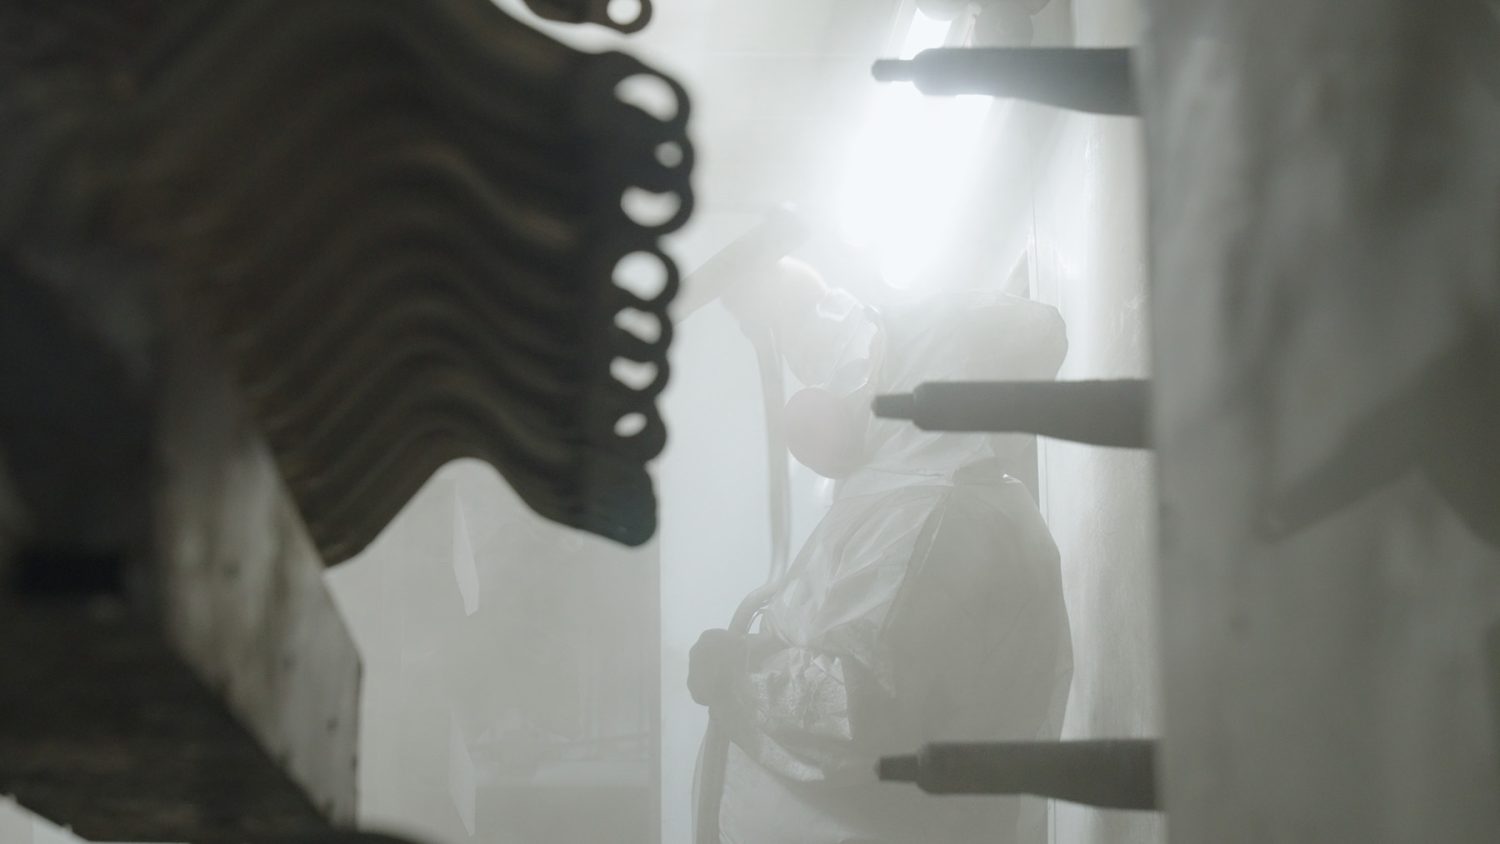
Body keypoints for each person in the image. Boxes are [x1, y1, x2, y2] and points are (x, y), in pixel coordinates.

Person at [689, 257, 1074, 844]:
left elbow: (858, 712)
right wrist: (790, 298)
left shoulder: (935, 520)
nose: (859, 380)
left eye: (878, 359)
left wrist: (737, 673)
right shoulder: (924, 497)